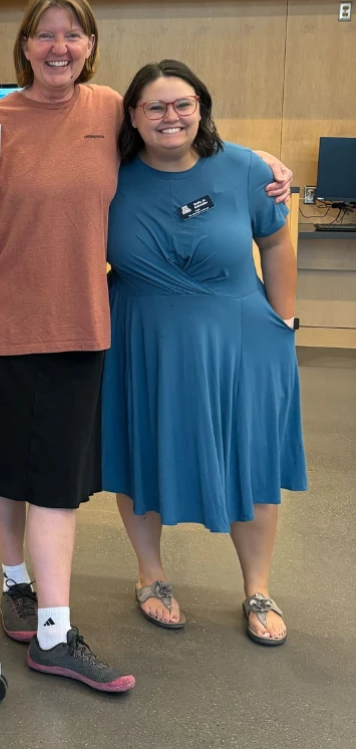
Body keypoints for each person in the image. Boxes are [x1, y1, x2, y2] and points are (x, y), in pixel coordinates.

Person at [0, 0, 292, 693]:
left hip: (85, 320)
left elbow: (179, 131)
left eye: (73, 34)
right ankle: (16, 581)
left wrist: (261, 163)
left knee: (57, 474)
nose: (59, 46)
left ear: (90, 46)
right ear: (23, 44)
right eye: (45, 34)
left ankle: (53, 628)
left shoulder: (110, 109)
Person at [102, 60, 306, 646]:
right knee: (142, 453)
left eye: (183, 104)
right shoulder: (110, 175)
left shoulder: (244, 167)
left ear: (201, 107)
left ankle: (258, 587)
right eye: (155, 107)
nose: (171, 117)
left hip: (242, 339)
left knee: (252, 459)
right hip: (145, 337)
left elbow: (276, 240)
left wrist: (282, 319)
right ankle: (151, 576)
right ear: (134, 117)